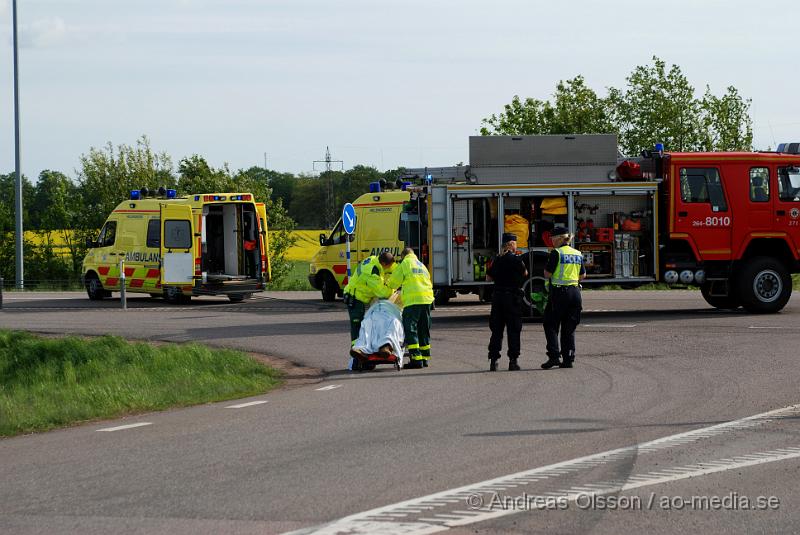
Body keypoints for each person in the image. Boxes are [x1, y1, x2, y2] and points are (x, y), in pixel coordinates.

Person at [541, 227, 586, 369]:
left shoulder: (557, 253)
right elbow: (583, 275)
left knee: (551, 325)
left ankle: (554, 356)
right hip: (575, 294)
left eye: (552, 239)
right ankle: (568, 359)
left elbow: (547, 274)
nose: (551, 241)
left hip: (560, 294)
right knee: (569, 328)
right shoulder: (578, 253)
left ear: (559, 238)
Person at [343, 252, 395, 369]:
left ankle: (363, 355)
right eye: (388, 266)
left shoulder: (373, 259)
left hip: (360, 298)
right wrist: (393, 289)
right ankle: (357, 359)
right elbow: (382, 292)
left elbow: (393, 267)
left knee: (365, 326)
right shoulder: (372, 272)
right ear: (383, 263)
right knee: (357, 328)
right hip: (355, 298)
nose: (388, 269)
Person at [486, 233, 528, 371]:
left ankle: (493, 360)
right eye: (515, 243)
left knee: (496, 330)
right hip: (512, 299)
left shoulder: (497, 259)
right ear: (510, 244)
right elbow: (525, 273)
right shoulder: (517, 259)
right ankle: (513, 361)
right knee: (514, 330)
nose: (516, 246)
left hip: (498, 299)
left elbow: (488, 278)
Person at [388, 247, 434, 369]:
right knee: (423, 329)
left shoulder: (405, 263)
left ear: (403, 256)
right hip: (427, 300)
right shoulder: (422, 265)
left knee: (410, 329)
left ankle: (416, 359)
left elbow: (393, 282)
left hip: (413, 301)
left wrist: (387, 286)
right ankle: (424, 358)